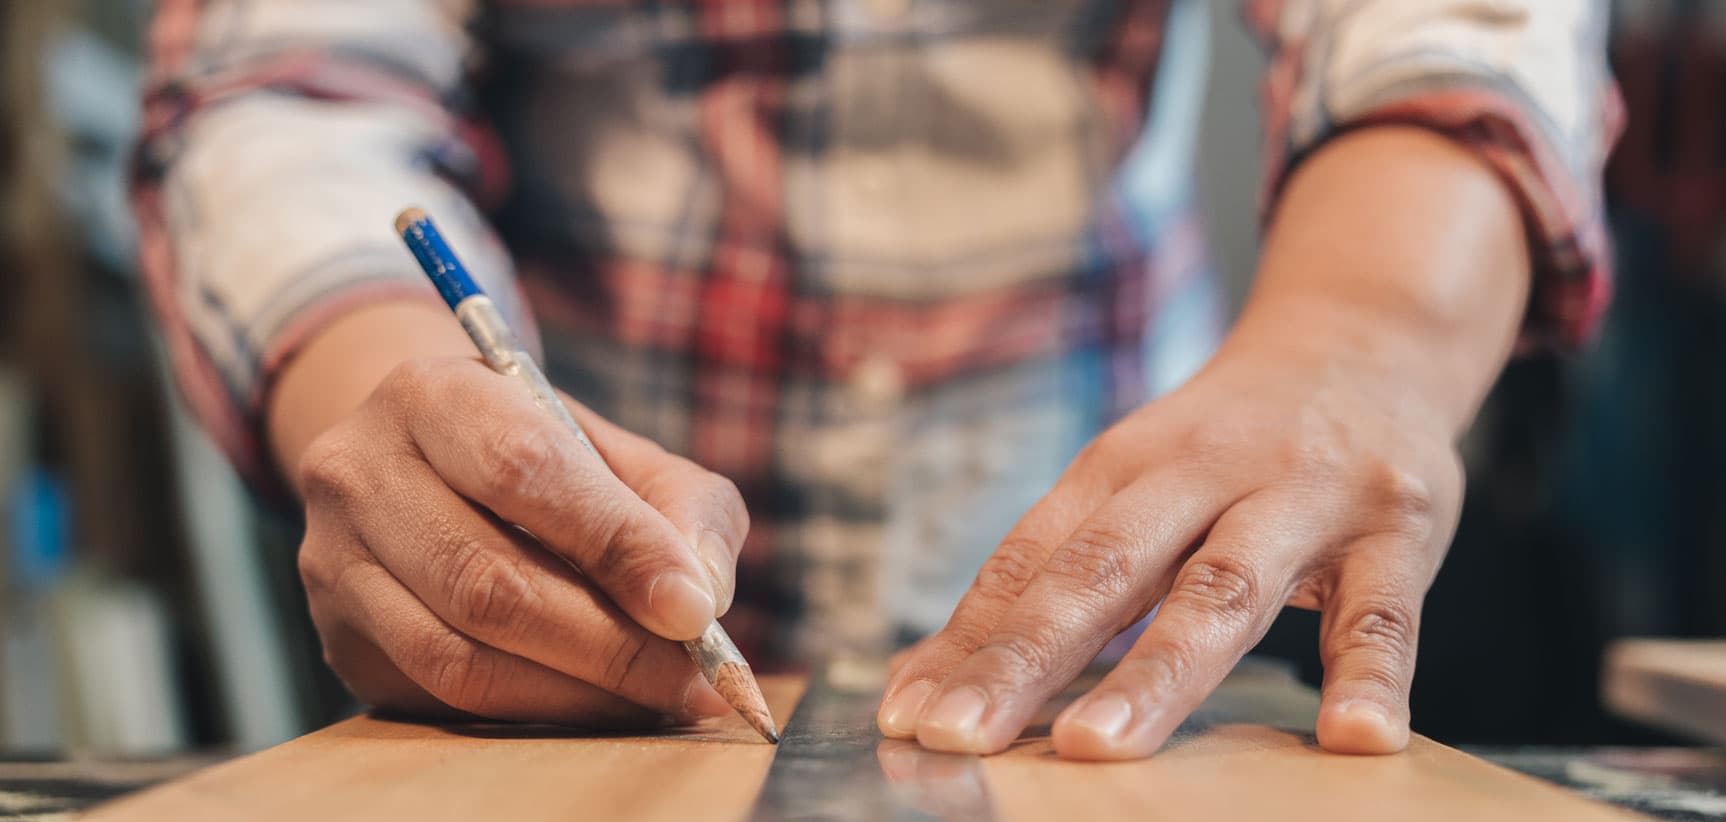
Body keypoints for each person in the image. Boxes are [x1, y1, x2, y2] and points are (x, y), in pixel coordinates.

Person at [136, 0, 1617, 759]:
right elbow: (286, 90)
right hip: (541, 678)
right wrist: (406, 422)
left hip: (1144, 673)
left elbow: (1457, 32)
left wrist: (1360, 342)